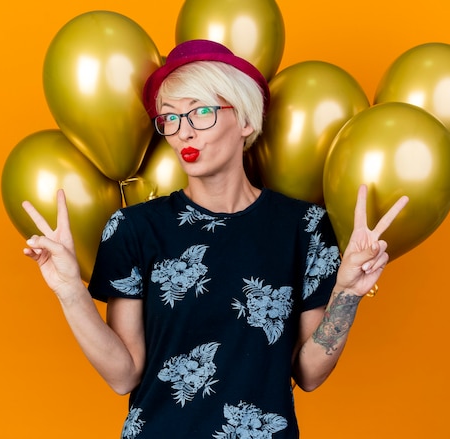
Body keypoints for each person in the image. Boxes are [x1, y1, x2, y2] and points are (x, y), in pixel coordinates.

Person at [22, 40, 409, 438]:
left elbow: (308, 374)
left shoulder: (306, 228)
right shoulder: (133, 228)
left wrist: (346, 293)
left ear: (245, 120)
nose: (183, 132)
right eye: (169, 118)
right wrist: (70, 291)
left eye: (200, 112)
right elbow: (123, 375)